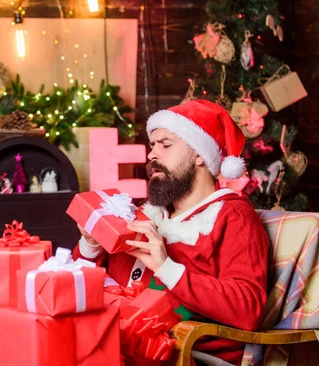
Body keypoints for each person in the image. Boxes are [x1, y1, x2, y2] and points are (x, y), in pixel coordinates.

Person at [73, 99, 270, 364]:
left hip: (182, 354)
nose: (152, 155)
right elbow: (78, 286)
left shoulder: (231, 217)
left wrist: (166, 267)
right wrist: (90, 244)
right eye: (152, 146)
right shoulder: (145, 217)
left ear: (200, 154)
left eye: (165, 145)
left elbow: (248, 308)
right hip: (112, 342)